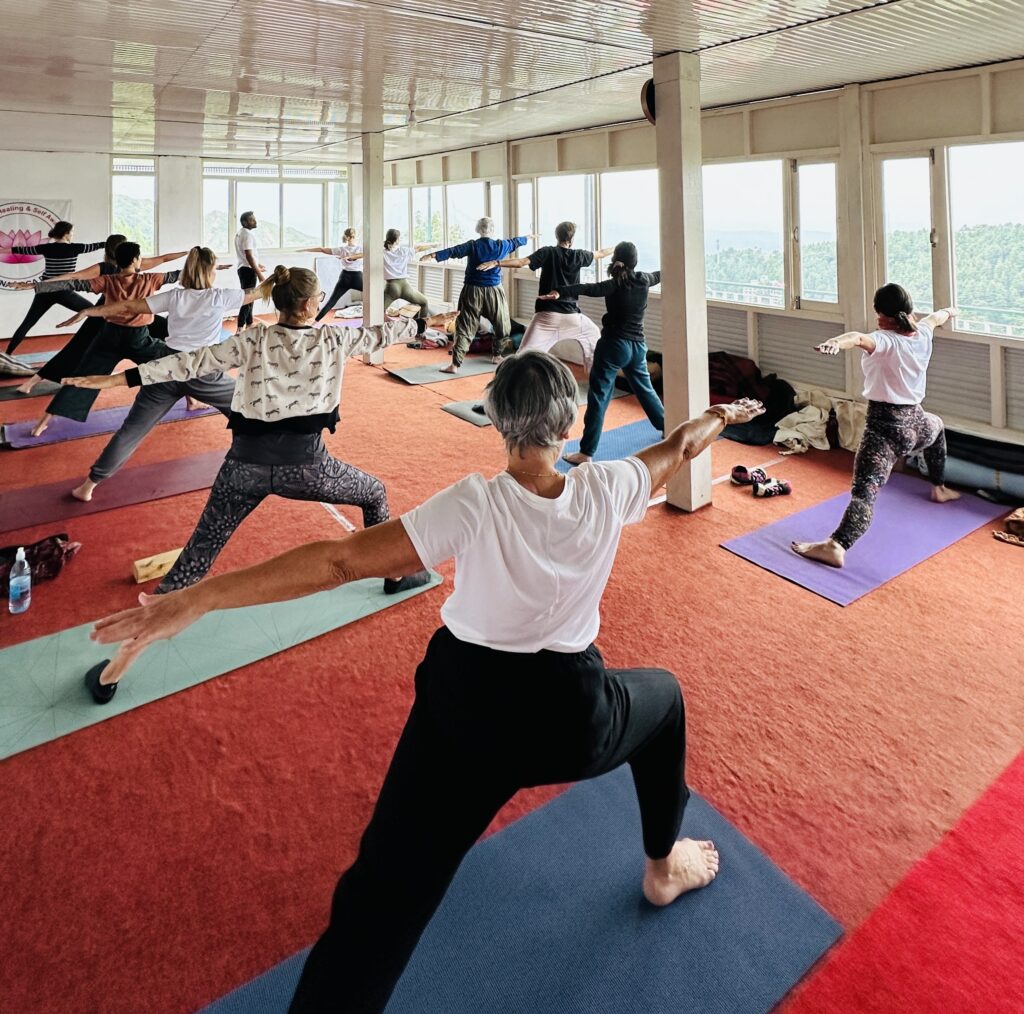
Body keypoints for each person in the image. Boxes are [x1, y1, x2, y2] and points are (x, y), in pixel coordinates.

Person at [82, 349, 765, 1011]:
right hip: (570, 716)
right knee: (665, 697)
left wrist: (200, 596)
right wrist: (724, 414)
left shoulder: (473, 503)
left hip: (463, 711)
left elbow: (341, 562)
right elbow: (681, 446)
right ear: (567, 426)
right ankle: (661, 866)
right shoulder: (608, 487)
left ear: (497, 424)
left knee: (382, 899)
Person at [70, 266, 457, 704]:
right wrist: (428, 321)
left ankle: (117, 666)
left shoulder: (252, 339)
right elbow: (384, 333)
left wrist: (116, 379)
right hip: (307, 468)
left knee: (194, 561)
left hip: (242, 470)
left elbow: (187, 362)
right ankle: (394, 571)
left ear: (278, 302)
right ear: (312, 305)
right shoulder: (333, 339)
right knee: (374, 493)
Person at [58, 246, 260, 502]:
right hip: (203, 372)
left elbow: (128, 306)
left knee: (131, 430)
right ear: (211, 271)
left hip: (165, 367)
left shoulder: (174, 297)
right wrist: (278, 278)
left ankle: (88, 486)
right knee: (247, 410)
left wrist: (90, 311)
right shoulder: (221, 296)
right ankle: (259, 464)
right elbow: (262, 292)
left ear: (187, 269)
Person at [792, 284, 961, 568]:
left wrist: (836, 341)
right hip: (915, 425)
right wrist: (952, 310)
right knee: (939, 427)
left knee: (864, 493)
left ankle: (837, 545)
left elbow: (857, 337)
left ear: (880, 315)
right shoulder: (923, 332)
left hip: (883, 431)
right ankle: (939, 487)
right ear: (909, 311)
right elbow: (937, 317)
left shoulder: (885, 340)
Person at [27, 242, 182, 433]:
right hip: (138, 340)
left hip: (108, 337)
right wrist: (208, 266)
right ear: (134, 260)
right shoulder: (150, 279)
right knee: (174, 361)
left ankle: (41, 424)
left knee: (82, 378)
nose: (141, 259)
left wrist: (38, 285)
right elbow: (180, 275)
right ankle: (193, 400)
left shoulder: (107, 280)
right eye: (140, 256)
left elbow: (73, 283)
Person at [538, 241, 664, 465]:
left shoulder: (614, 283)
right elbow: (660, 274)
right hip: (638, 348)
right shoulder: (644, 279)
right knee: (646, 391)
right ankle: (668, 428)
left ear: (617, 259)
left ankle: (586, 453)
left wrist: (559, 291)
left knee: (599, 397)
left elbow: (586, 288)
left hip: (614, 346)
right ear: (635, 262)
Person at [480, 221, 613, 374]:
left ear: (557, 236)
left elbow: (521, 262)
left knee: (522, 358)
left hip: (546, 317)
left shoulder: (547, 252)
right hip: (572, 317)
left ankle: (506, 387)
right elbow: (601, 253)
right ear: (571, 239)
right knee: (594, 335)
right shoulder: (579, 255)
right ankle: (596, 379)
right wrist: (618, 248)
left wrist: (497, 262)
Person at [422, 218, 528, 372]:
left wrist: (433, 255)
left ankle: (455, 365)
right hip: (493, 292)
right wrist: (528, 238)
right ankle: (497, 355)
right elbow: (515, 242)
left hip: (472, 292)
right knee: (502, 325)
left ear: (478, 230)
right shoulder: (501, 245)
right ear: (492, 230)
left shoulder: (473, 245)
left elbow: (454, 251)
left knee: (465, 327)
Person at [6, 221, 105, 354]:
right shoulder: (75, 248)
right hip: (63, 291)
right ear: (66, 234)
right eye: (72, 232)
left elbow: (20, 250)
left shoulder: (46, 248)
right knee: (95, 313)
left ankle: (7, 354)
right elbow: (97, 246)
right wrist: (114, 244)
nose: (73, 235)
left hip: (45, 291)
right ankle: (95, 349)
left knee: (27, 323)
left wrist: (3, 249)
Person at [298, 228, 365, 321]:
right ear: (355, 236)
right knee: (373, 294)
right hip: (357, 277)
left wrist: (305, 250)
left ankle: (315, 322)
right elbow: (366, 253)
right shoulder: (361, 248)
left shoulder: (341, 249)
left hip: (344, 277)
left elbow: (322, 249)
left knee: (331, 301)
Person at [382, 229, 438, 319]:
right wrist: (433, 245)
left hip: (391, 287)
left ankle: (380, 330)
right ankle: (419, 330)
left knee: (377, 310)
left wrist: (352, 257)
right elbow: (419, 248)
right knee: (424, 302)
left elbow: (363, 254)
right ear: (396, 240)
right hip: (405, 286)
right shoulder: (404, 251)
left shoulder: (382, 252)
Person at [235, 212, 267, 329]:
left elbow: (247, 256)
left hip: (244, 269)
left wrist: (258, 265)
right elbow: (248, 255)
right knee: (248, 298)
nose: (255, 222)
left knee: (250, 297)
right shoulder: (247, 235)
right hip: (247, 271)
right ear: (245, 222)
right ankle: (240, 327)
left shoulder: (240, 233)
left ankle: (249, 323)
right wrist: (259, 274)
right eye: (252, 220)